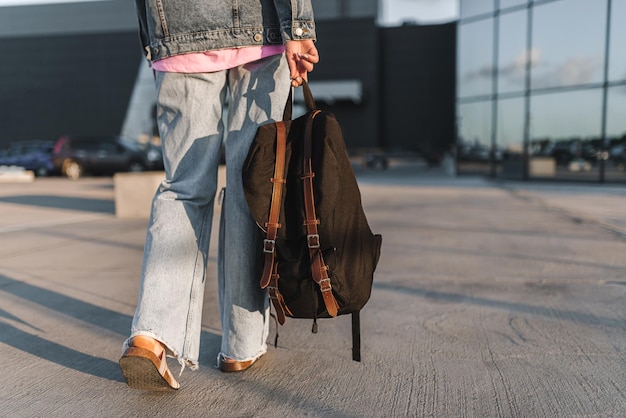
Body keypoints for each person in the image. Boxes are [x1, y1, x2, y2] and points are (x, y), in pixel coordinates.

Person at [119, 0, 319, 390]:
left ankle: (151, 334)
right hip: (260, 32)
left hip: (177, 34)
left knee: (183, 188)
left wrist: (154, 37)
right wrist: (298, 27)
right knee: (253, 187)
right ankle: (241, 345)